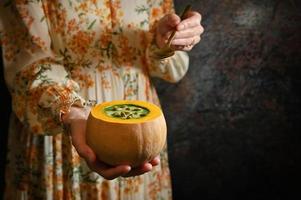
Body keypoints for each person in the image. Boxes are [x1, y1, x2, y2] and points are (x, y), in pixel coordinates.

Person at [0, 0, 203, 199]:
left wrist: (165, 41)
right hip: (63, 124)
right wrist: (71, 110)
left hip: (143, 128)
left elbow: (169, 69)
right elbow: (28, 62)